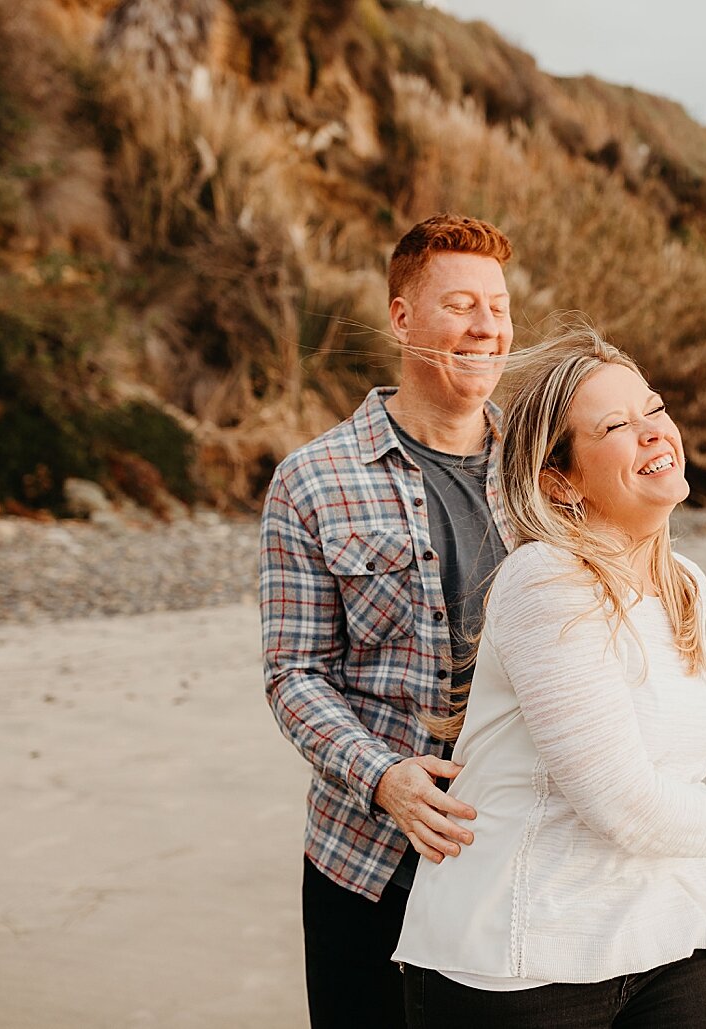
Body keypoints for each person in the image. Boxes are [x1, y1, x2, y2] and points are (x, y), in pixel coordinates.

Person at [392, 327, 706, 1028]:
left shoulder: (684, 585)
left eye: (653, 409)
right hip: (522, 959)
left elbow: (662, 779)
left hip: (663, 931)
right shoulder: (545, 582)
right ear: (559, 479)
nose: (653, 433)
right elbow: (623, 804)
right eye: (615, 426)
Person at [260, 213, 517, 1028]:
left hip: (516, 859)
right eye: (462, 304)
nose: (486, 328)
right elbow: (294, 674)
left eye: (500, 307)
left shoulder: (547, 474)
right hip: (368, 866)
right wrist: (383, 778)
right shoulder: (313, 478)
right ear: (402, 317)